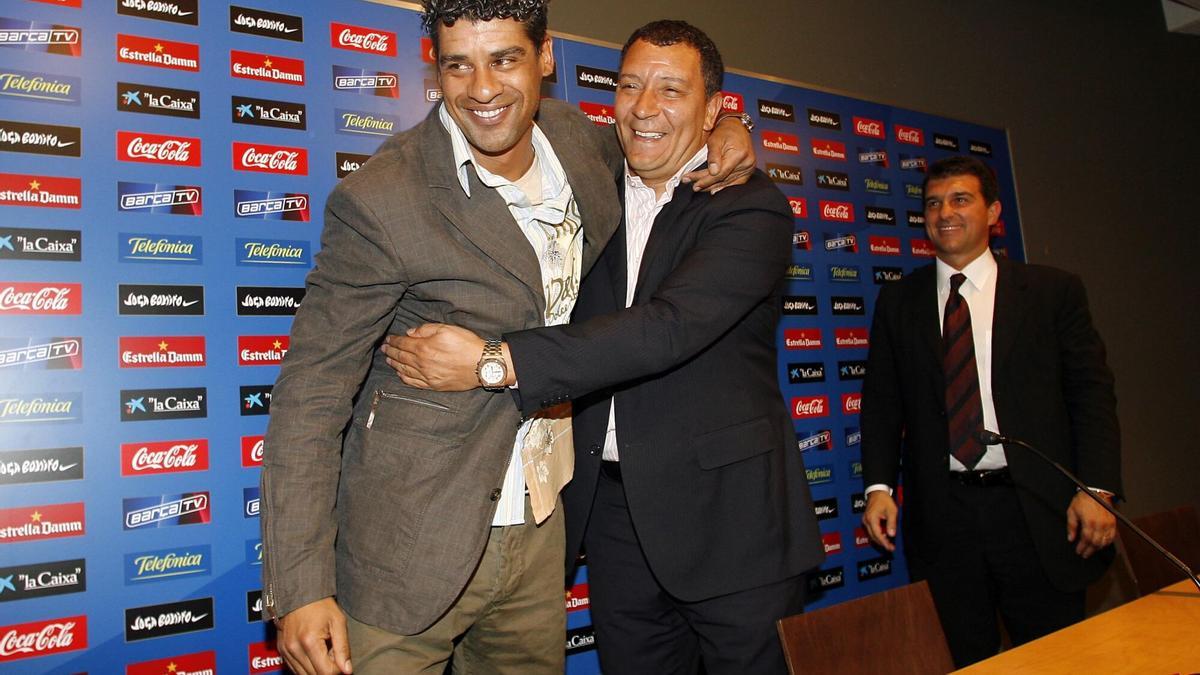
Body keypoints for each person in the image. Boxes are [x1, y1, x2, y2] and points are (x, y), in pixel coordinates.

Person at [257, 1, 756, 673]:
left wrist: (728, 128)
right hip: (409, 544)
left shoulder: (582, 144)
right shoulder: (383, 198)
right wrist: (301, 582)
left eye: (505, 60)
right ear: (434, 67)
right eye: (458, 65)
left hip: (542, 530)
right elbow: (312, 390)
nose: (483, 89)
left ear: (546, 58)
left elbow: (665, 132)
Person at [383, 20, 823, 675]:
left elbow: (666, 328)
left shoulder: (749, 207)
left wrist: (495, 361)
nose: (645, 107)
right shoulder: (584, 186)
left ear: (712, 109)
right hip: (616, 521)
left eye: (672, 91)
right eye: (630, 86)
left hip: (734, 527)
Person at [859, 155, 1122, 667]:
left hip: (1037, 513)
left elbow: (1091, 395)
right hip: (944, 519)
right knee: (966, 660)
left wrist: (1097, 488)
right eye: (933, 203)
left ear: (994, 211)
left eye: (961, 199)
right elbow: (883, 404)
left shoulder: (1052, 292)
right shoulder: (898, 301)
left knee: (1057, 659)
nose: (944, 213)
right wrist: (878, 488)